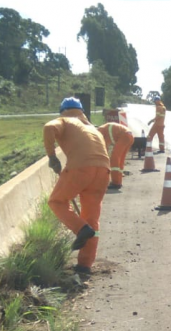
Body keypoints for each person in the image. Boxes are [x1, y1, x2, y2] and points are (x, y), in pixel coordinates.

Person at [43, 97, 110, 274]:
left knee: (56, 201)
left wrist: (52, 157)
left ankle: (81, 228)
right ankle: (84, 265)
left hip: (80, 168)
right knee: (91, 218)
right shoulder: (92, 128)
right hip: (103, 171)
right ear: (82, 111)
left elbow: (48, 128)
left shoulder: (65, 120)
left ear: (62, 111)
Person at [96, 121, 134, 190]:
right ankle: (118, 181)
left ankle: (116, 183)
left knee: (114, 158)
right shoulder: (104, 130)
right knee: (120, 159)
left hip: (124, 136)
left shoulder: (98, 132)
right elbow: (105, 148)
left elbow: (103, 148)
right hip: (130, 135)